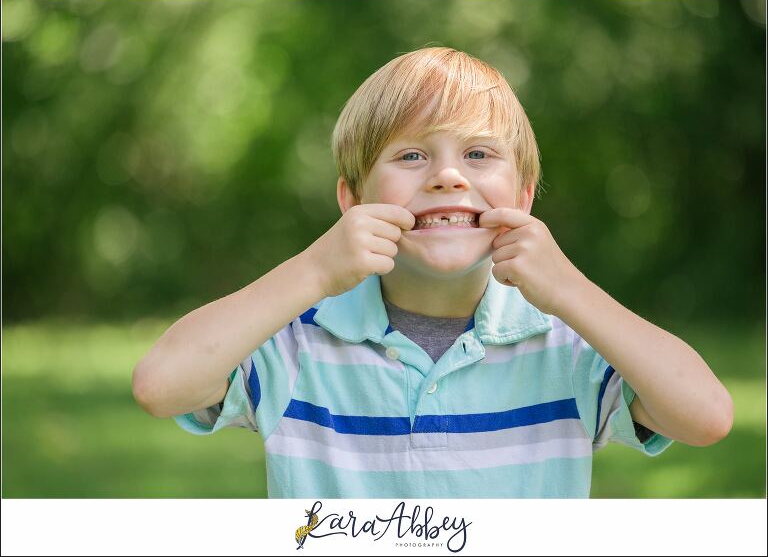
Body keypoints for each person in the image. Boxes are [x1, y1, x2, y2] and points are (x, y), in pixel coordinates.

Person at [131, 46, 733, 498]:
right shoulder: (297, 342)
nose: (448, 176)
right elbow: (162, 386)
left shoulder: (566, 342)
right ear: (352, 200)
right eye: (412, 155)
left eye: (478, 154)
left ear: (522, 198)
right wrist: (313, 271)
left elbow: (705, 416)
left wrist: (571, 291)